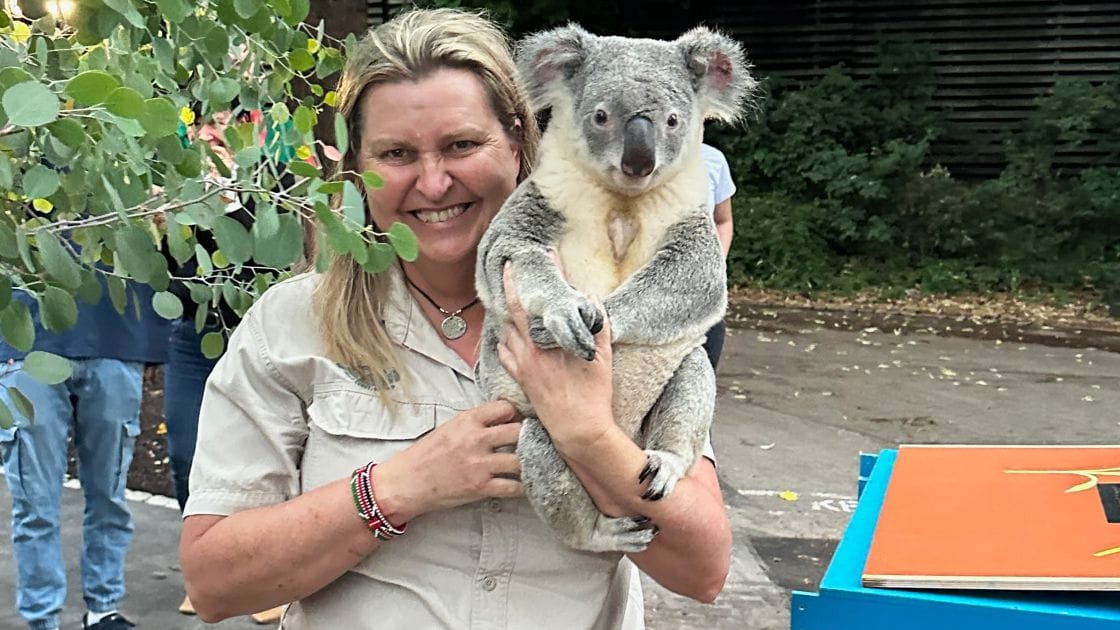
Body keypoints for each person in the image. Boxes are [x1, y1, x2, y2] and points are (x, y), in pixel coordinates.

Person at [179, 8, 732, 628]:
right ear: (356, 165)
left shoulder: (612, 289)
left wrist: (588, 437)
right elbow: (214, 584)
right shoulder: (293, 325)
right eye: (395, 153)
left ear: (522, 138)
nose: (434, 182)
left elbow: (703, 570)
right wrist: (398, 488)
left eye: (462, 145)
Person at [1, 279, 169, 630]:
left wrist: (151, 341)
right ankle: (41, 618)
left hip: (117, 337)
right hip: (24, 341)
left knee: (109, 497)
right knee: (35, 504)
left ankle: (103, 610)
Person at [700, 142, 736, 370]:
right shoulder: (631, 158)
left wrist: (717, 263)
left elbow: (723, 221)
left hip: (699, 292)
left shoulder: (712, 159)